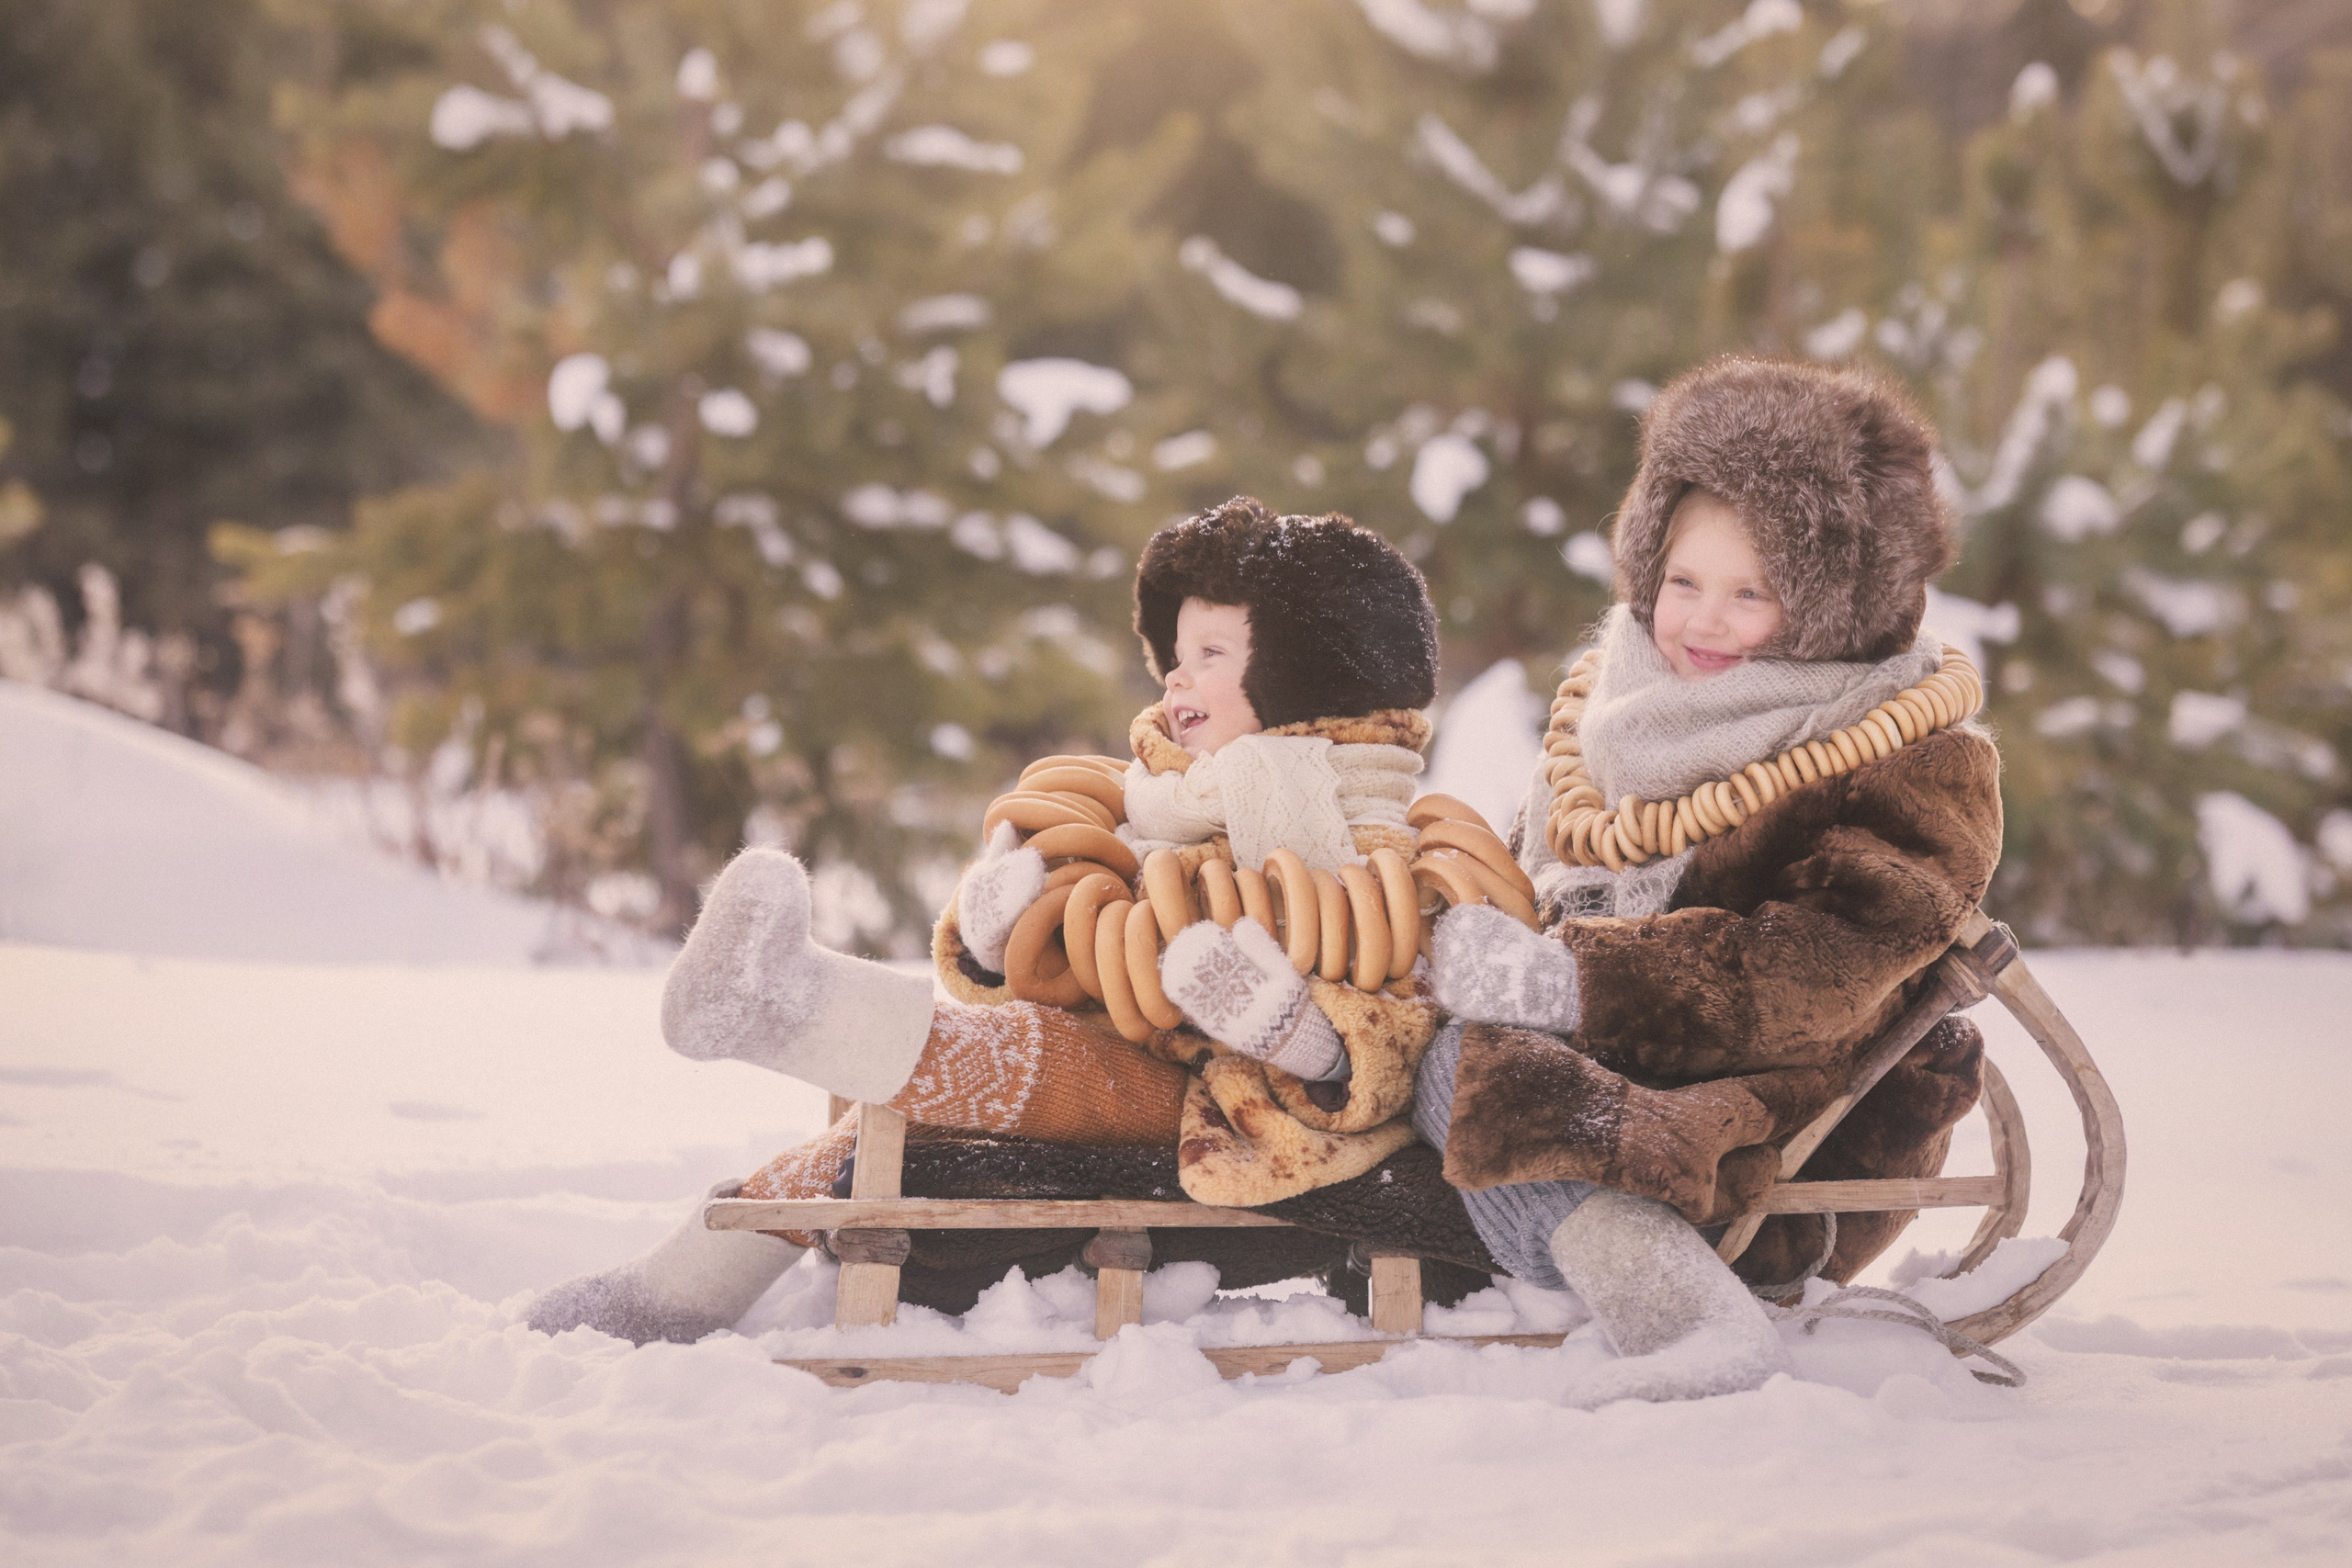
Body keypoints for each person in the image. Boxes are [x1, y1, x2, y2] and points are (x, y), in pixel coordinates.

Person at [528, 498, 1448, 1345]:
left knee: (1007, 1057)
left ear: (1307, 673)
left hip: (1231, 1110)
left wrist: (1297, 1034)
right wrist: (1000, 932)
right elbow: (1088, 950)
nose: (1177, 674)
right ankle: (676, 1289)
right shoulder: (1160, 805)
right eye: (1175, 652)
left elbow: (1408, 1025)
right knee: (897, 1128)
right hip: (1116, 1052)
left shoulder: (1375, 847)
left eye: (1212, 651)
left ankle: (792, 1005)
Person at [1415, 355, 1999, 1405]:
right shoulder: (1618, 716)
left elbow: (1819, 970)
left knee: (1471, 1065)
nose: (1702, 621)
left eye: (1751, 594)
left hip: (1777, 1140)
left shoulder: (1904, 755)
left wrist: (1569, 981)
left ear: (1830, 607)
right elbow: (1525, 886)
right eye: (1683, 583)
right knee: (1400, 1038)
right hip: (1617, 1092)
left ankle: (1691, 1317)